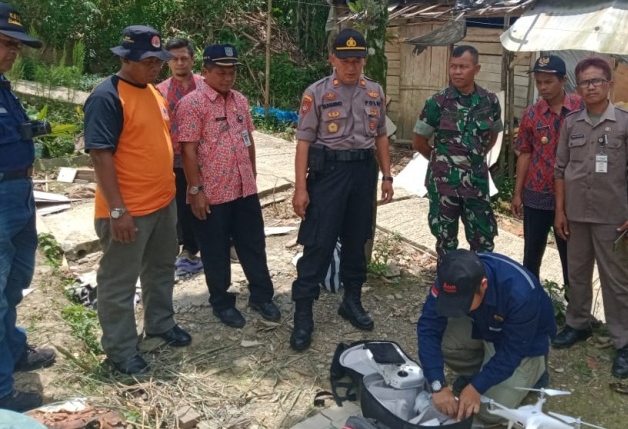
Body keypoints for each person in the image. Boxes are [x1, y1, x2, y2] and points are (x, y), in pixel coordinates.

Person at [84, 26, 192, 375]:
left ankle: (160, 322)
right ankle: (120, 349)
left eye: (158, 60)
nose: (156, 67)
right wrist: (117, 210)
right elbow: (100, 156)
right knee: (119, 281)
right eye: (148, 60)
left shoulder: (153, 93)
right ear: (125, 58)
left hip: (162, 204)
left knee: (161, 269)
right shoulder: (107, 97)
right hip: (128, 210)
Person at [290, 29, 393, 351]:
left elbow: (381, 137)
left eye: (358, 60)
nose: (352, 66)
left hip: (364, 172)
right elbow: (303, 142)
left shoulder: (374, 91)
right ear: (332, 59)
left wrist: (388, 176)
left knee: (357, 238)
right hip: (329, 174)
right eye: (345, 60)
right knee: (319, 241)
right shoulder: (317, 93)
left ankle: (352, 301)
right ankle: (303, 314)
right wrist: (300, 189)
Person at [552, 57, 628, 379]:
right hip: (576, 215)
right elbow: (561, 170)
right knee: (577, 274)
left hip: (613, 218)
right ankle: (578, 324)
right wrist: (560, 211)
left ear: (609, 84)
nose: (590, 87)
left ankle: (624, 342)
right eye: (584, 82)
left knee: (616, 281)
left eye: (596, 81)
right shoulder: (571, 123)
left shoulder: (627, 122)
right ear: (576, 88)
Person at [176, 44, 280, 329]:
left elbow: (247, 137)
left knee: (253, 244)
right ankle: (222, 302)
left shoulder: (240, 101)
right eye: (221, 71)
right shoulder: (192, 104)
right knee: (215, 250)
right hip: (211, 194)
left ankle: (261, 296)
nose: (227, 77)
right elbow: (188, 151)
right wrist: (195, 191)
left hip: (244, 189)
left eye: (232, 71)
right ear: (205, 72)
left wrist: (253, 172)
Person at [417, 249, 555, 423]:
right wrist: (437, 385)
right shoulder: (450, 278)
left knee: (489, 412)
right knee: (445, 343)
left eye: (463, 303)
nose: (457, 308)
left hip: (523, 345)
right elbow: (428, 327)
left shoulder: (521, 294)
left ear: (483, 285)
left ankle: (536, 373)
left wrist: (477, 387)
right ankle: (479, 372)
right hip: (484, 327)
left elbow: (512, 352)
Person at [0, 3, 56, 411]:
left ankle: (13, 352)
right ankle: (2, 391)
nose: (11, 53)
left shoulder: (2, 85)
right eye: (5, 44)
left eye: (15, 47)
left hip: (18, 193)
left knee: (15, 283)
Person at [412, 45, 503, 261]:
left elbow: (493, 135)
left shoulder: (489, 101)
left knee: (483, 240)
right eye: (453, 66)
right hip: (444, 185)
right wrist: (443, 161)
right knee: (445, 240)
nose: (457, 72)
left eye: (463, 67)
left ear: (476, 69)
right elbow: (419, 141)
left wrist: (475, 158)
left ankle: (481, 285)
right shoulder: (437, 102)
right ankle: (448, 286)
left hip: (476, 184)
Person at [512, 54, 582, 285]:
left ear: (563, 80)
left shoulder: (580, 110)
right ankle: (529, 303)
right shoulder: (531, 114)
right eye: (539, 82)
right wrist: (517, 193)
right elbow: (525, 153)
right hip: (536, 196)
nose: (542, 87)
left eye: (548, 82)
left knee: (571, 256)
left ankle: (576, 310)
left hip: (572, 196)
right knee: (531, 255)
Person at [156, 37, 203, 263]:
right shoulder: (159, 92)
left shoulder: (206, 86)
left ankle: (219, 241)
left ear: (193, 60)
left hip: (205, 155)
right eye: (175, 59)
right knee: (181, 203)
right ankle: (187, 245)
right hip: (174, 157)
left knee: (209, 198)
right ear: (168, 62)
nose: (180, 63)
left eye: (184, 58)